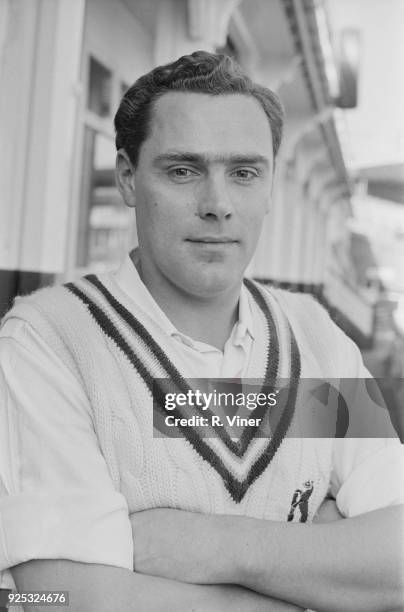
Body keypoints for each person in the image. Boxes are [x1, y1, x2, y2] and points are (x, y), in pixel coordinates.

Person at [0, 51, 403, 612]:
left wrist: (210, 545)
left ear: (268, 187)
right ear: (128, 179)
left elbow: (399, 564)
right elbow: (65, 597)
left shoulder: (314, 339)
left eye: (244, 172)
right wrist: (322, 571)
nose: (217, 205)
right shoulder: (49, 343)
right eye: (183, 170)